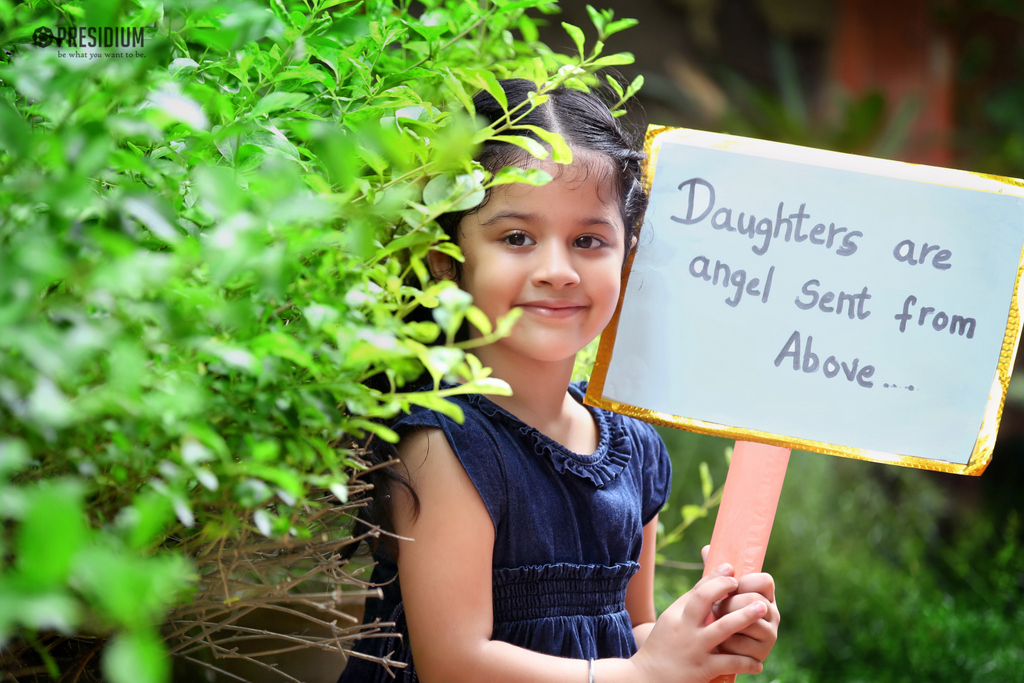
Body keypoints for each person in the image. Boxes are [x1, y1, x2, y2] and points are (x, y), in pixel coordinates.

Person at [337, 78, 780, 683]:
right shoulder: (446, 443)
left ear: (628, 256)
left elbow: (631, 632)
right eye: (517, 238)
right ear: (448, 259)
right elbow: (455, 662)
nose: (557, 271)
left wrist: (699, 639)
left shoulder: (632, 446)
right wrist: (646, 675)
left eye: (588, 241)